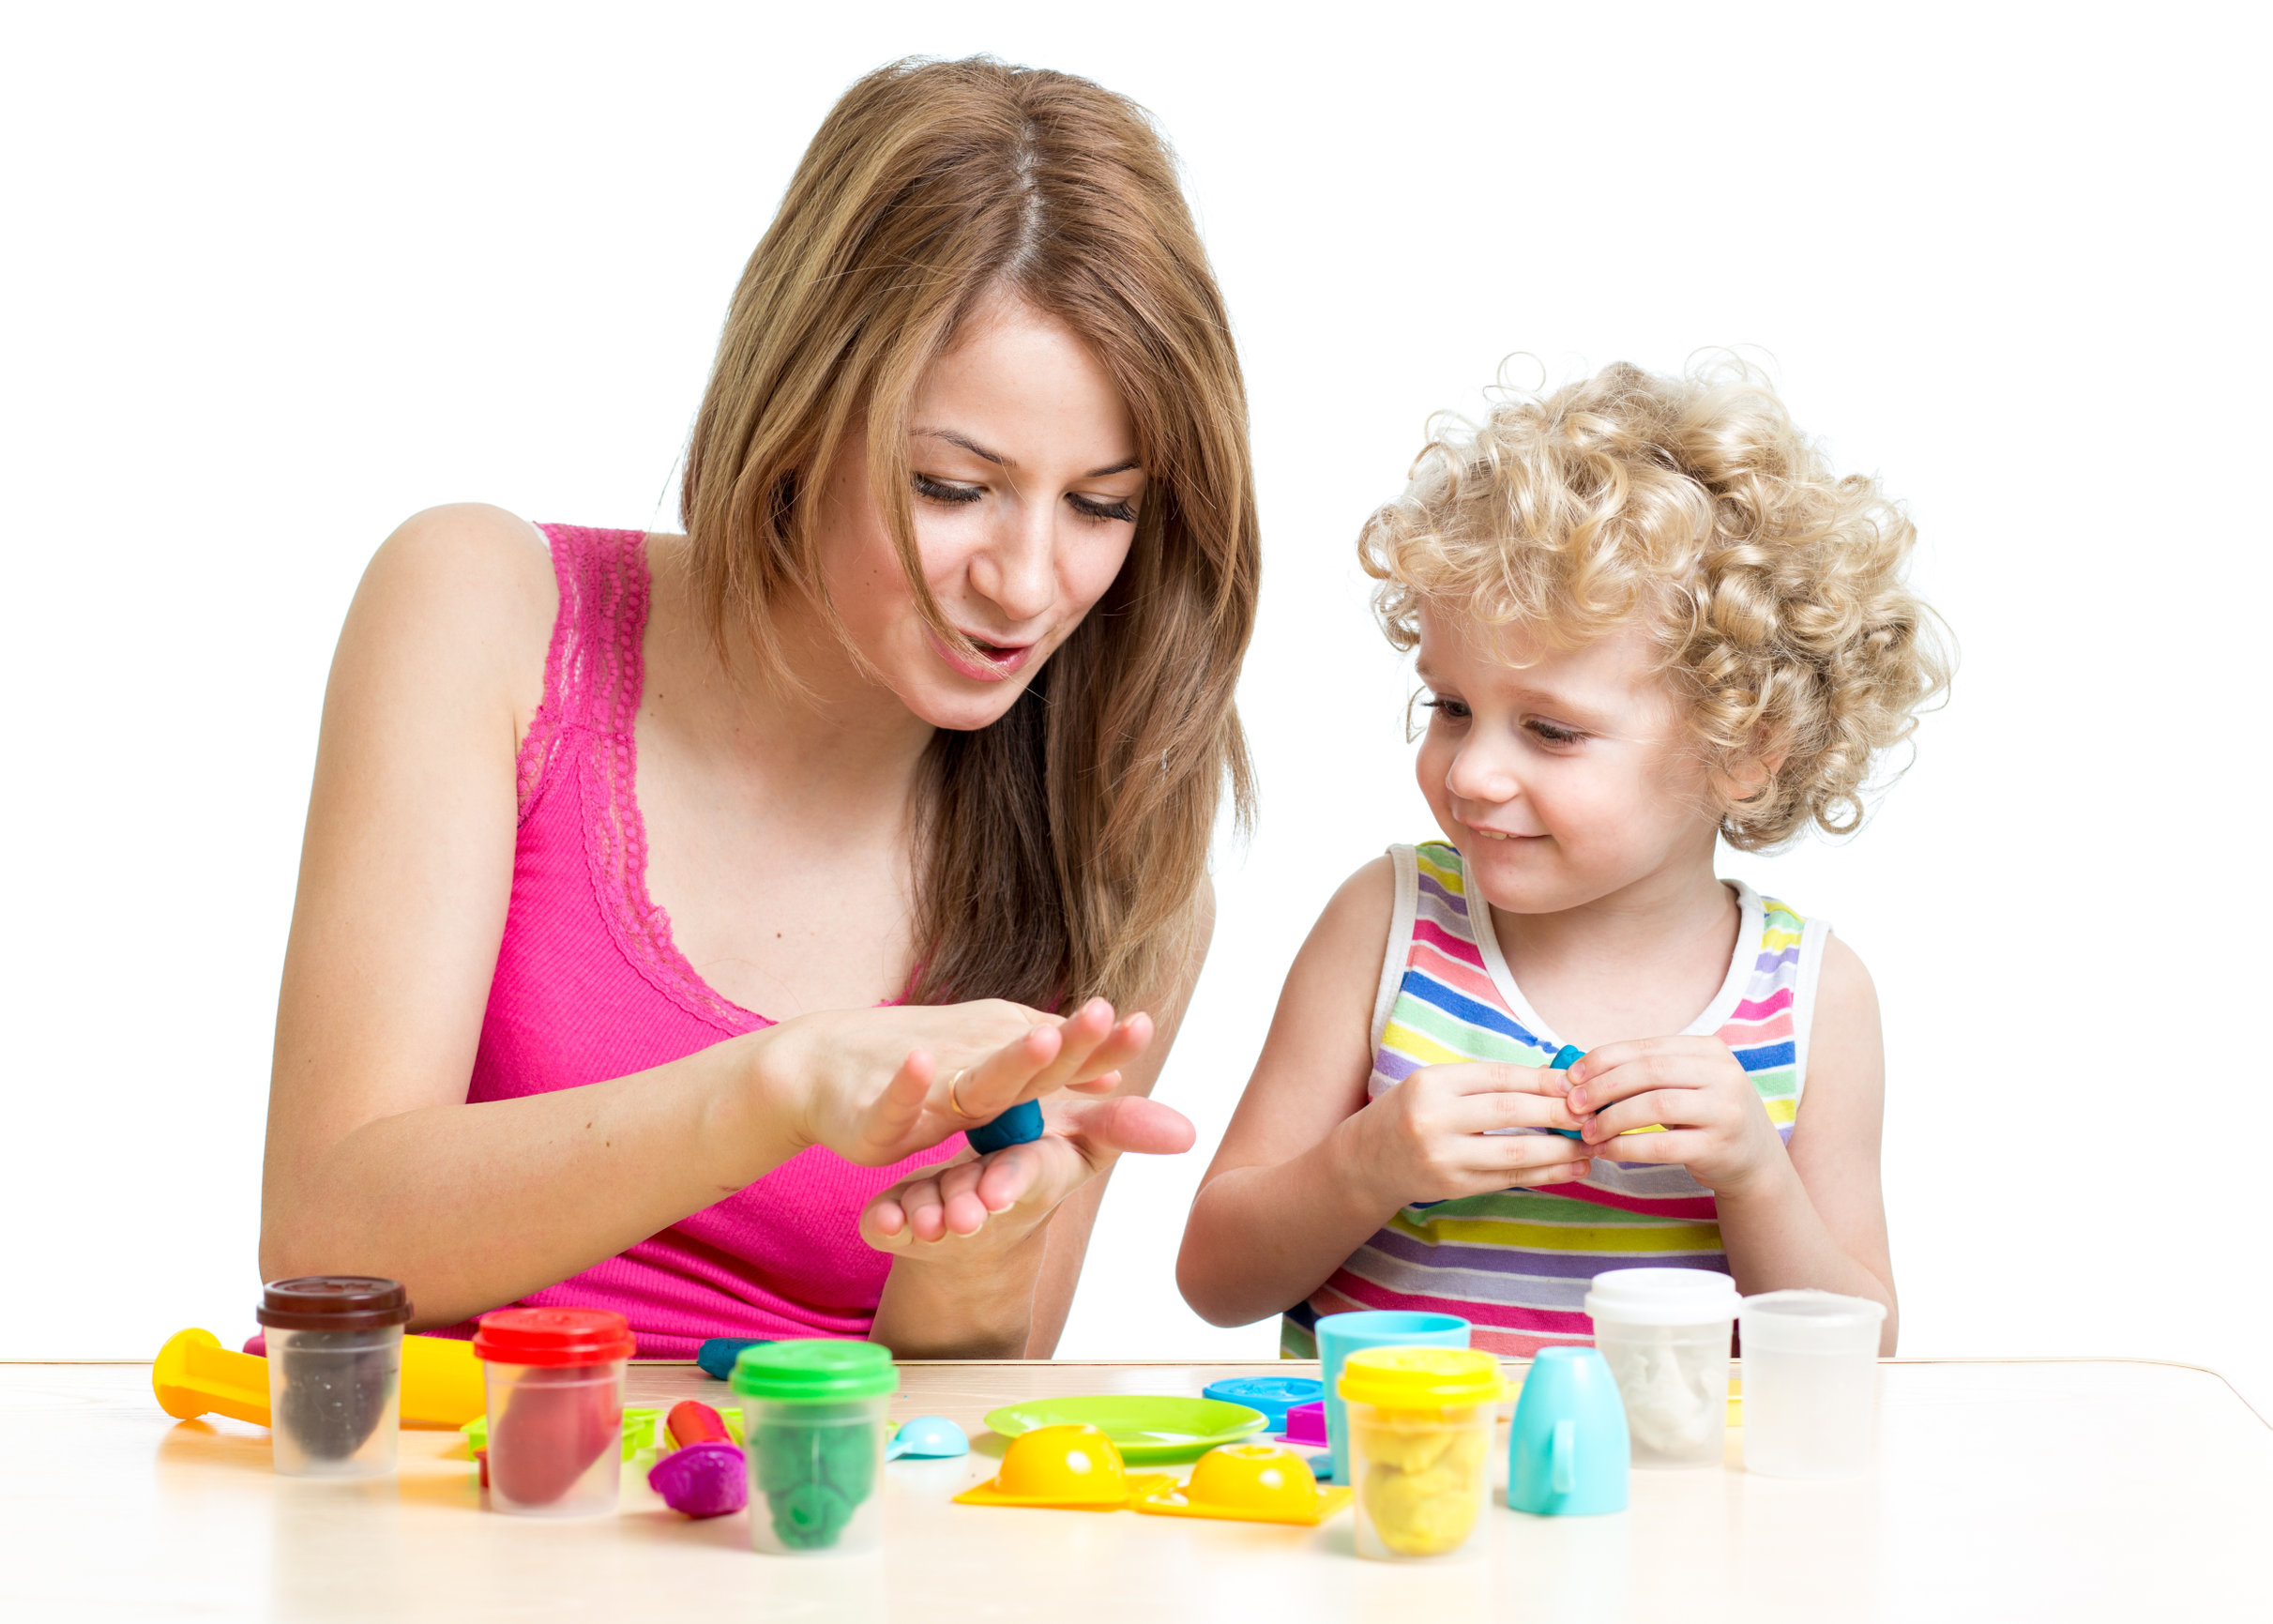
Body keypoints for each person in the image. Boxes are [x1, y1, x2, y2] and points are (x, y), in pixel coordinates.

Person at [259, 56, 1259, 1359]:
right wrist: (773, 1085)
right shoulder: (482, 606)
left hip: (795, 1488)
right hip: (437, 1477)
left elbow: (956, 1403)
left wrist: (978, 1252)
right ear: (801, 409)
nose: (1026, 582)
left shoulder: (1115, 847)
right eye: (951, 486)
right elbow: (325, 1239)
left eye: (1099, 505)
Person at [1176, 358, 1946, 1358]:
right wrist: (1367, 1163)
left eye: (1550, 731)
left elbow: (1861, 1349)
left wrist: (1754, 1176)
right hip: (1397, 1456)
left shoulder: (1810, 996)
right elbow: (1215, 1279)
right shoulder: (1388, 923)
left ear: (1746, 748)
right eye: (1452, 707)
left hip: (1677, 1467)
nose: (1472, 772)